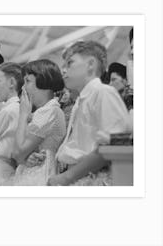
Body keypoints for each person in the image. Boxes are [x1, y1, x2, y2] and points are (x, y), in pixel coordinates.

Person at [47, 41, 130, 186]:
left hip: (89, 178)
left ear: (90, 64)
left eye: (69, 63)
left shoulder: (103, 92)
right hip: (75, 174)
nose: (64, 70)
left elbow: (111, 145)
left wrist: (67, 177)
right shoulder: (81, 99)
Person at [12, 59, 66, 185]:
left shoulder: (49, 111)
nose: (23, 87)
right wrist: (25, 158)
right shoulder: (45, 111)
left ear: (43, 81)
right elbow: (20, 155)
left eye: (28, 81)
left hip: (39, 175)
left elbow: (17, 152)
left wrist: (23, 115)